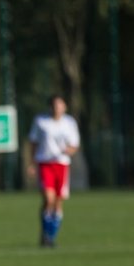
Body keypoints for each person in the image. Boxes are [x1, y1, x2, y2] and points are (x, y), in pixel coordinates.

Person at [26, 95, 81, 248]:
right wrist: (31, 163)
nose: (57, 107)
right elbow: (33, 142)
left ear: (65, 106)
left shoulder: (70, 123)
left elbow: (74, 145)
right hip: (45, 163)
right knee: (48, 199)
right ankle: (45, 235)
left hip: (61, 165)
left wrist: (68, 150)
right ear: (50, 107)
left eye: (60, 104)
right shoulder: (41, 121)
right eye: (55, 105)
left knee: (57, 202)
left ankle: (51, 236)